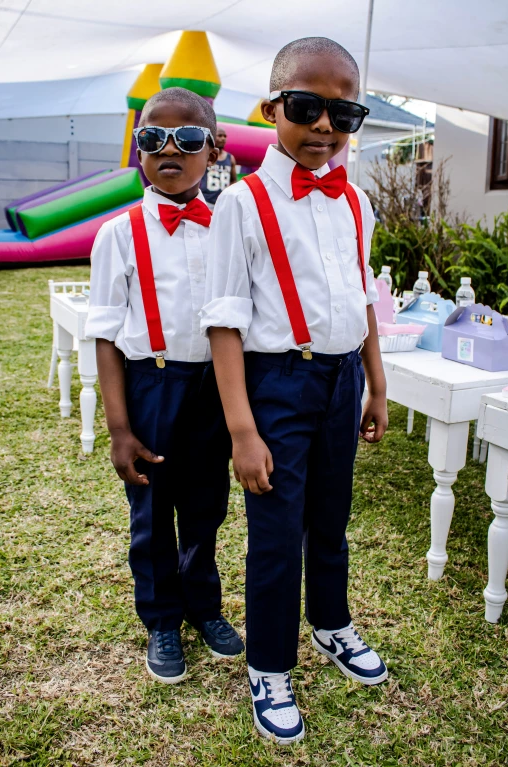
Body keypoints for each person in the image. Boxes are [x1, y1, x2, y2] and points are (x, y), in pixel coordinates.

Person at [201, 37, 388, 743]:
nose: (322, 128)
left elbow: (362, 296)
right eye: (306, 108)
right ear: (273, 106)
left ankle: (332, 621)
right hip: (277, 382)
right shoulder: (241, 205)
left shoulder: (357, 203)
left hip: (342, 377)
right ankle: (270, 665)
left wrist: (376, 381)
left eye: (344, 114)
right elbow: (224, 323)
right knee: (276, 534)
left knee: (330, 518)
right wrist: (243, 431)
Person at [85, 87, 244, 685]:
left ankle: (203, 606)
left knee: (206, 507)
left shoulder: (229, 223)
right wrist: (120, 428)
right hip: (151, 384)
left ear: (215, 148)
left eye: (188, 138)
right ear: (138, 149)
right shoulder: (117, 234)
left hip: (214, 386)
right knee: (152, 511)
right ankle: (161, 619)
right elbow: (104, 335)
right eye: (153, 138)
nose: (169, 149)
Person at [200, 126, 237, 208]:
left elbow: (233, 180)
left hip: (224, 202)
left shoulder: (230, 158)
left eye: (225, 136)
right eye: (220, 136)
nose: (223, 138)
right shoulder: (206, 156)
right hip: (207, 201)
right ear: (213, 137)